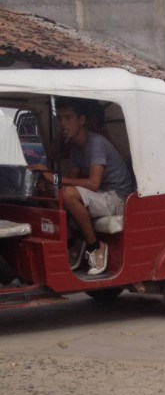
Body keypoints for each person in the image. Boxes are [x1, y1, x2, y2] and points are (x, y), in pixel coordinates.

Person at [31, 99, 135, 276]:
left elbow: (93, 183)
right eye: (60, 119)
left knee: (68, 194)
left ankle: (95, 246)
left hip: (117, 198)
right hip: (100, 195)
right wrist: (49, 181)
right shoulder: (75, 147)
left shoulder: (96, 143)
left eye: (68, 118)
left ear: (81, 120)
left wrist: (54, 177)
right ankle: (73, 240)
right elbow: (70, 180)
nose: (63, 124)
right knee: (48, 191)